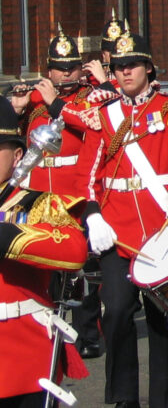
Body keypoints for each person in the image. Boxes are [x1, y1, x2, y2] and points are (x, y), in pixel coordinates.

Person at [75, 30, 168, 408]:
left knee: (163, 323)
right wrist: (93, 216)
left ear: (148, 67)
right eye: (118, 66)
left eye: (131, 65)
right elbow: (86, 178)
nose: (124, 72)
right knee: (115, 311)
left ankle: (166, 400)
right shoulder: (103, 116)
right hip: (117, 232)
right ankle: (123, 396)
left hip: (160, 230)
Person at [9, 28, 103, 358]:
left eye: (71, 67)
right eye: (59, 68)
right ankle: (47, 328)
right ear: (48, 70)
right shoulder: (34, 100)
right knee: (42, 264)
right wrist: (18, 108)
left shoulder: (89, 97)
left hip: (73, 192)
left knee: (82, 266)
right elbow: (13, 143)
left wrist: (56, 103)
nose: (66, 73)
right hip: (37, 194)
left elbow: (96, 125)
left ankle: (88, 333)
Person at [0, 95, 90, 408]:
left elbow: (74, 249)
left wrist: (8, 236)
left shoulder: (37, 203)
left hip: (22, 353)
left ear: (18, 156)